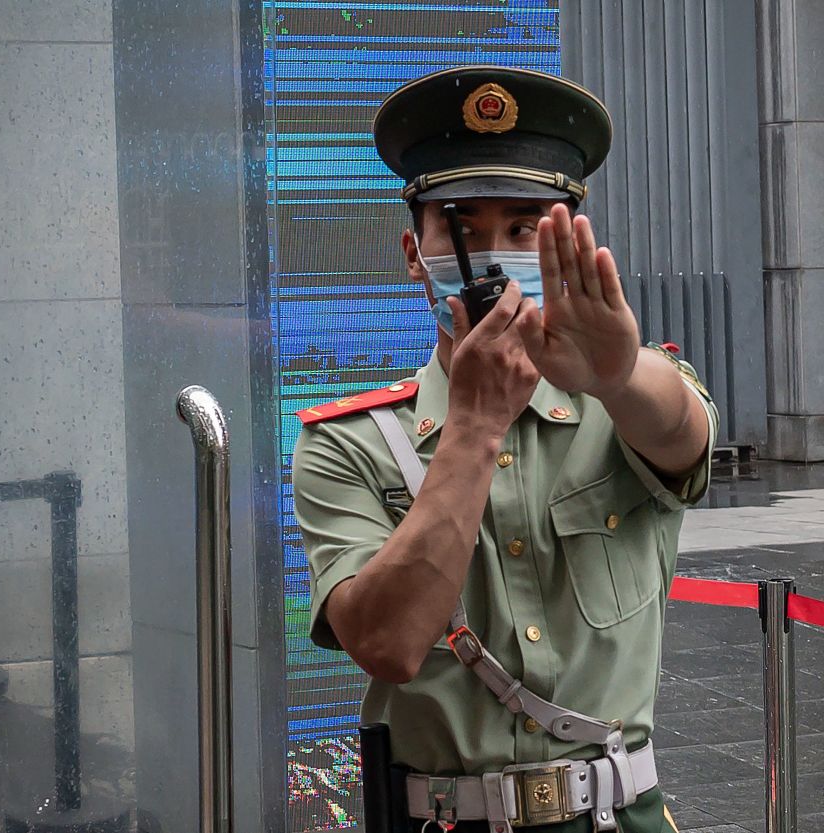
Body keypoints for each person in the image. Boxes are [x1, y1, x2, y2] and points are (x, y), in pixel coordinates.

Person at [292, 65, 719, 833]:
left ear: (569, 241)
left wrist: (618, 373)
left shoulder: (621, 400)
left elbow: (683, 438)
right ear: (414, 252)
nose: (493, 255)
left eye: (525, 227)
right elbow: (384, 642)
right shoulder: (348, 444)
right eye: (461, 224)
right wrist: (474, 428)